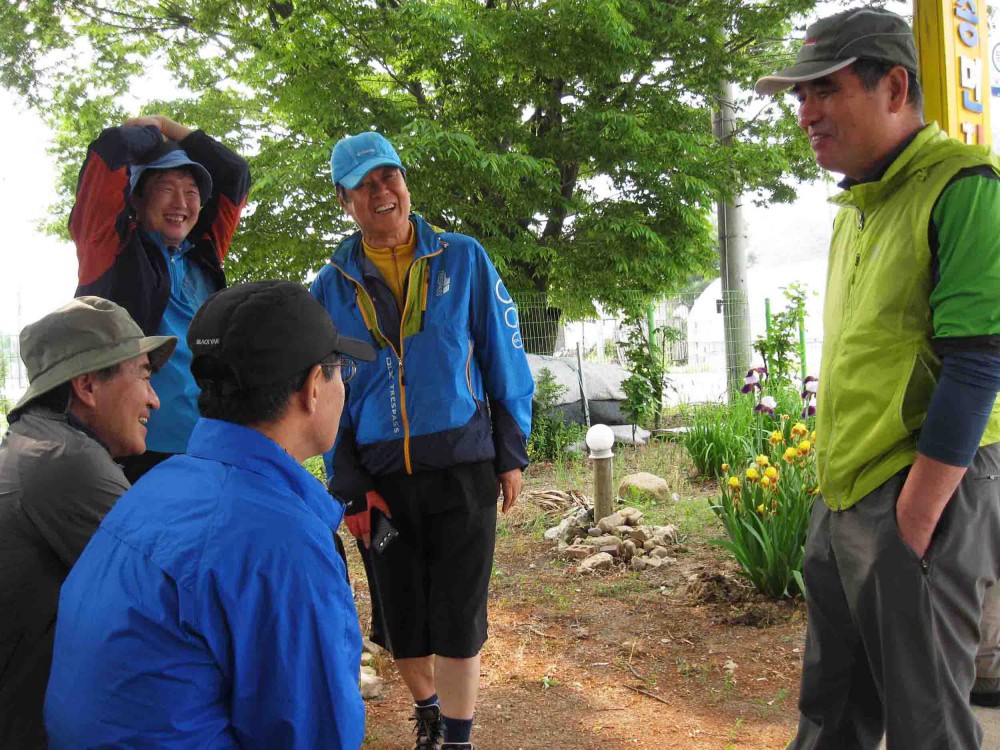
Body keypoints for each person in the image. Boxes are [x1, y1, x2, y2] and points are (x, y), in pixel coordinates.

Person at [756, 7, 1000, 748]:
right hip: (845, 501)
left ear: (894, 86)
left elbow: (979, 361)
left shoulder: (963, 188)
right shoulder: (856, 208)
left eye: (824, 90)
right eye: (799, 96)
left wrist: (914, 523)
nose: (805, 113)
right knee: (830, 718)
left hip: (918, 498)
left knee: (927, 728)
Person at [44, 281, 374, 749]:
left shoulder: (158, 487)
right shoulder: (278, 541)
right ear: (312, 388)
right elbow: (316, 736)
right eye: (340, 370)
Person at [311, 132, 534, 750]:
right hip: (379, 482)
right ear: (344, 200)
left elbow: (502, 356)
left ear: (404, 183)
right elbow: (325, 392)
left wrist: (510, 452)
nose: (383, 192)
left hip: (463, 466)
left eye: (390, 177)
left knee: (460, 612)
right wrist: (349, 485)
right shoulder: (329, 288)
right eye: (365, 184)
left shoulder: (462, 259)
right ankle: (430, 714)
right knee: (401, 615)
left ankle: (458, 739)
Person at [0, 297, 175, 750]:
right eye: (144, 374)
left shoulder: (38, 442)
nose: (154, 399)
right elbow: (174, 601)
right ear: (87, 387)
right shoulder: (65, 461)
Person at [72, 113, 250, 482]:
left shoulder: (204, 253)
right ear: (136, 198)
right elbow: (109, 152)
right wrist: (150, 134)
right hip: (131, 450)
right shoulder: (111, 251)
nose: (181, 202)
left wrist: (171, 127)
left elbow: (234, 174)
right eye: (167, 188)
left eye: (191, 192)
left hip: (208, 446)